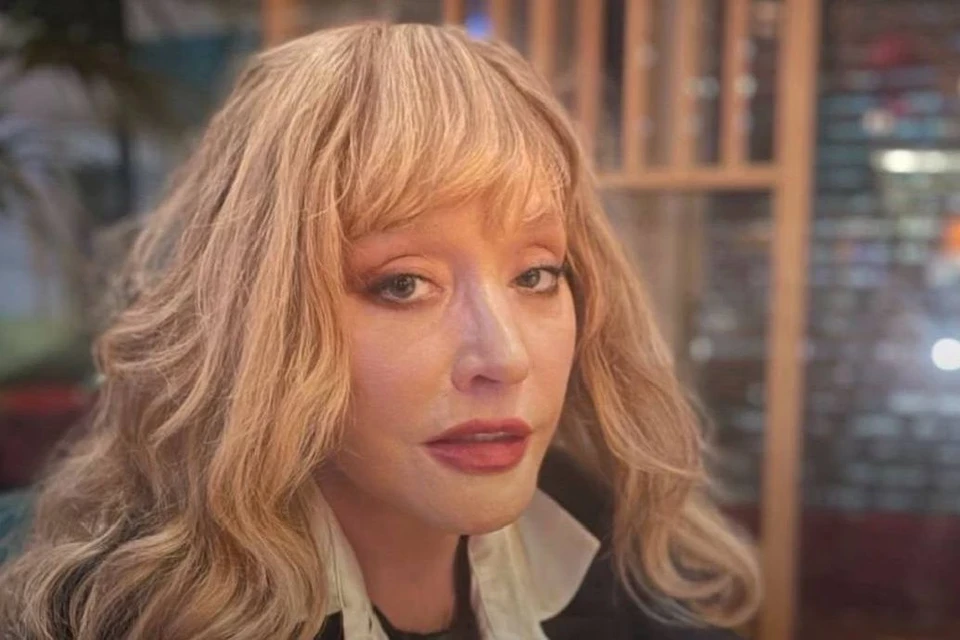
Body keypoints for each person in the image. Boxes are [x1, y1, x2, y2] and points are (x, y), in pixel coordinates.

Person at [0, 22, 760, 640]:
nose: (503, 358)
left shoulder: (612, 554)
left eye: (535, 275)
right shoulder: (119, 613)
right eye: (403, 285)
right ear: (261, 320)